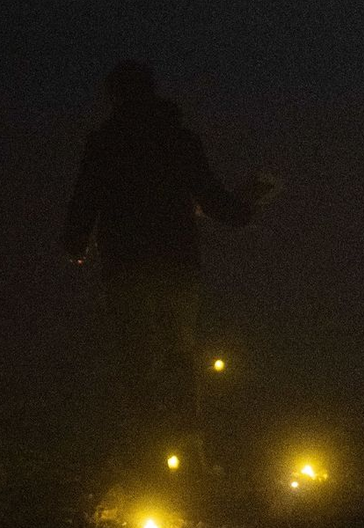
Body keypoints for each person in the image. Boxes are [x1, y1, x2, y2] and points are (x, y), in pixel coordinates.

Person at [60, 60, 276, 477]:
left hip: (125, 264)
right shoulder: (179, 139)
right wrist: (244, 210)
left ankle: (147, 454)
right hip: (177, 261)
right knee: (178, 354)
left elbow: (85, 196)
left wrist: (75, 243)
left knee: (136, 356)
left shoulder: (105, 142)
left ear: (114, 96)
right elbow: (210, 195)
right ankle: (188, 452)